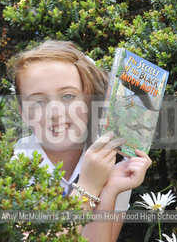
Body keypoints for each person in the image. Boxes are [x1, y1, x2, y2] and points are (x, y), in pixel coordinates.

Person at [11, 40, 152, 241]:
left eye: (68, 96)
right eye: (38, 102)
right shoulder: (12, 166)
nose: (55, 112)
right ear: (23, 113)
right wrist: (87, 188)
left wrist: (109, 189)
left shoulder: (112, 160)